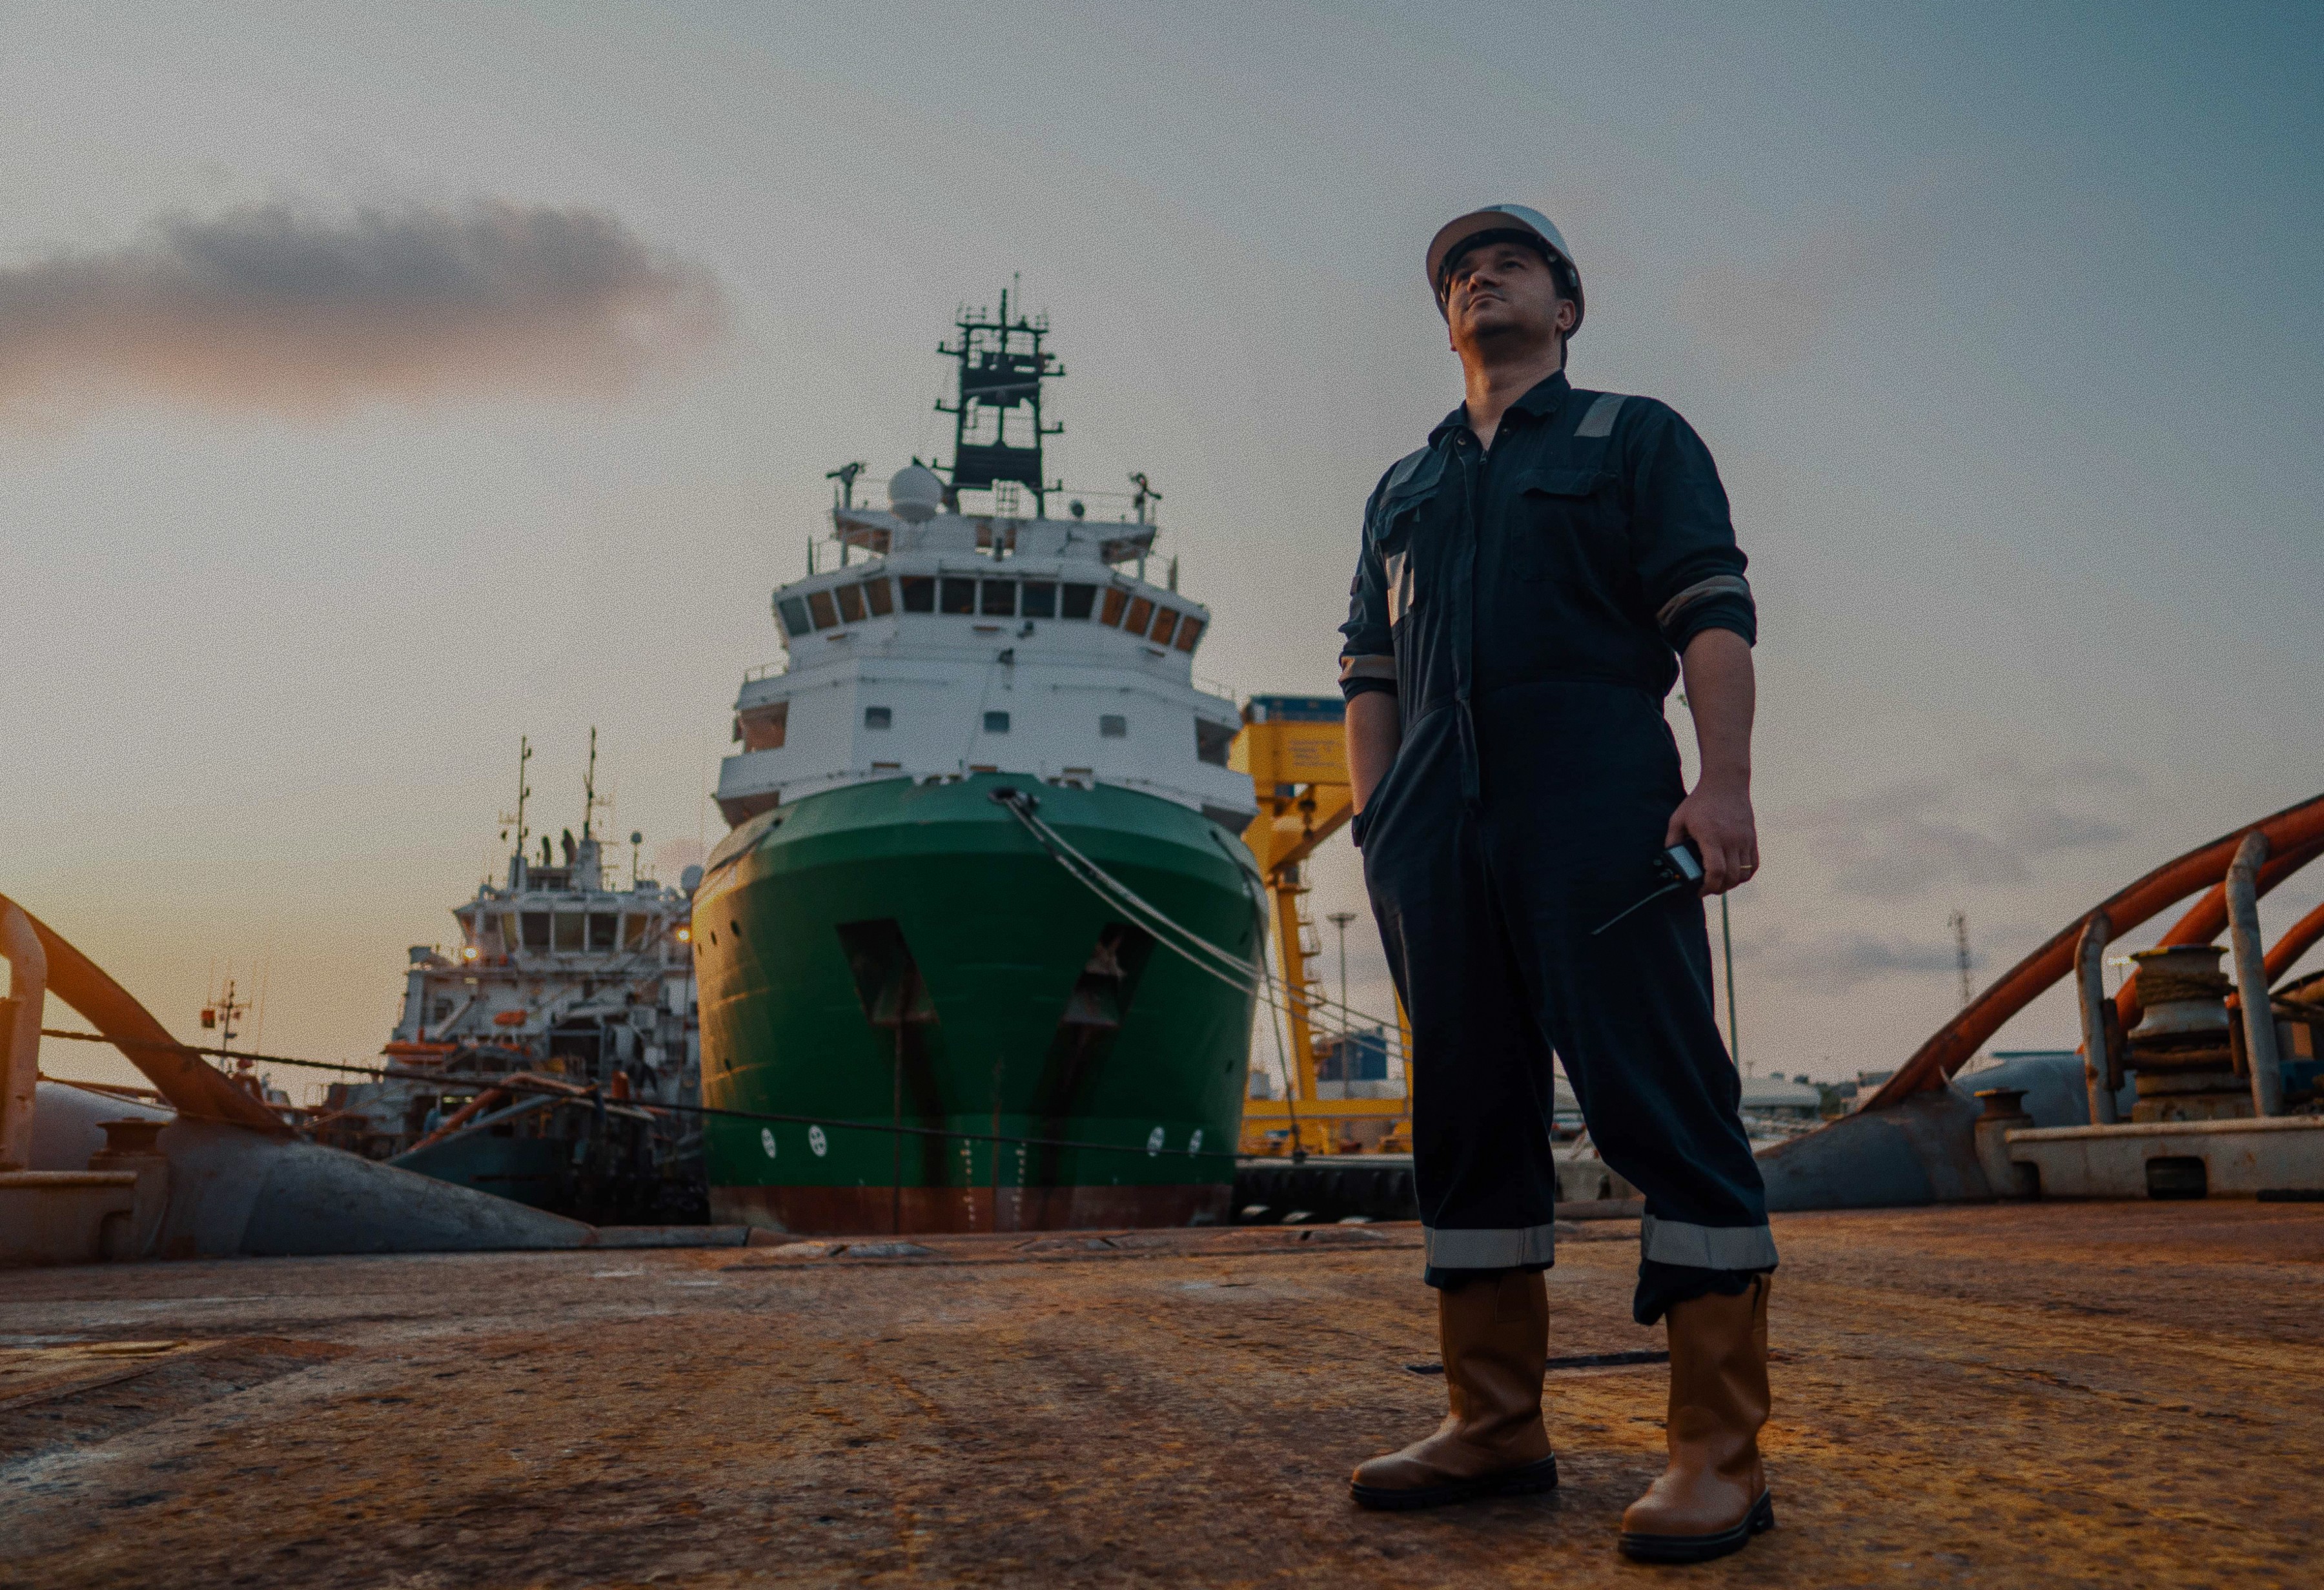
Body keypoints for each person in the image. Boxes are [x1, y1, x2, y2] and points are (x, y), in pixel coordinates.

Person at [1340, 204, 1775, 1564]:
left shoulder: (1632, 436)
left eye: (1510, 263)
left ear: (1567, 308)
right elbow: (1369, 669)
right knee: (1467, 1111)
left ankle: (1717, 1450)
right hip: (1434, 828)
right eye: (1461, 272)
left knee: (1662, 1093)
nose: (1481, 277)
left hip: (1593, 787)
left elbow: (1711, 610)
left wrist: (1723, 781)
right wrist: (1377, 822)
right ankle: (1495, 1422)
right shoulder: (1402, 489)